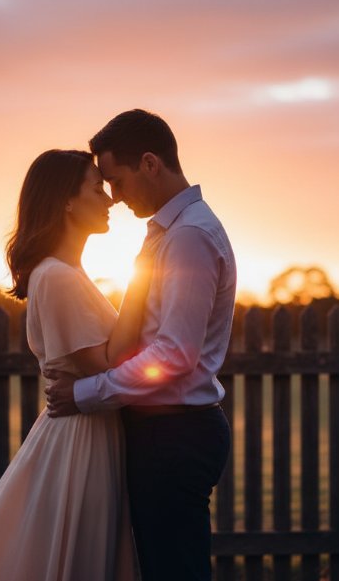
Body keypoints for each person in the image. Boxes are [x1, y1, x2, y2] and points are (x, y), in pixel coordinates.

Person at [0, 149, 148, 581]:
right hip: (81, 438)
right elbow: (108, 362)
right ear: (66, 201)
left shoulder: (69, 273)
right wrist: (143, 282)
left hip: (92, 427)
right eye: (96, 188)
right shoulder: (56, 277)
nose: (109, 199)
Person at [45, 109, 236, 581]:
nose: (114, 197)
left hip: (174, 435)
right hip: (167, 432)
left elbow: (172, 356)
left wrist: (84, 394)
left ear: (150, 163)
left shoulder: (188, 236)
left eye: (117, 180)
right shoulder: (171, 233)